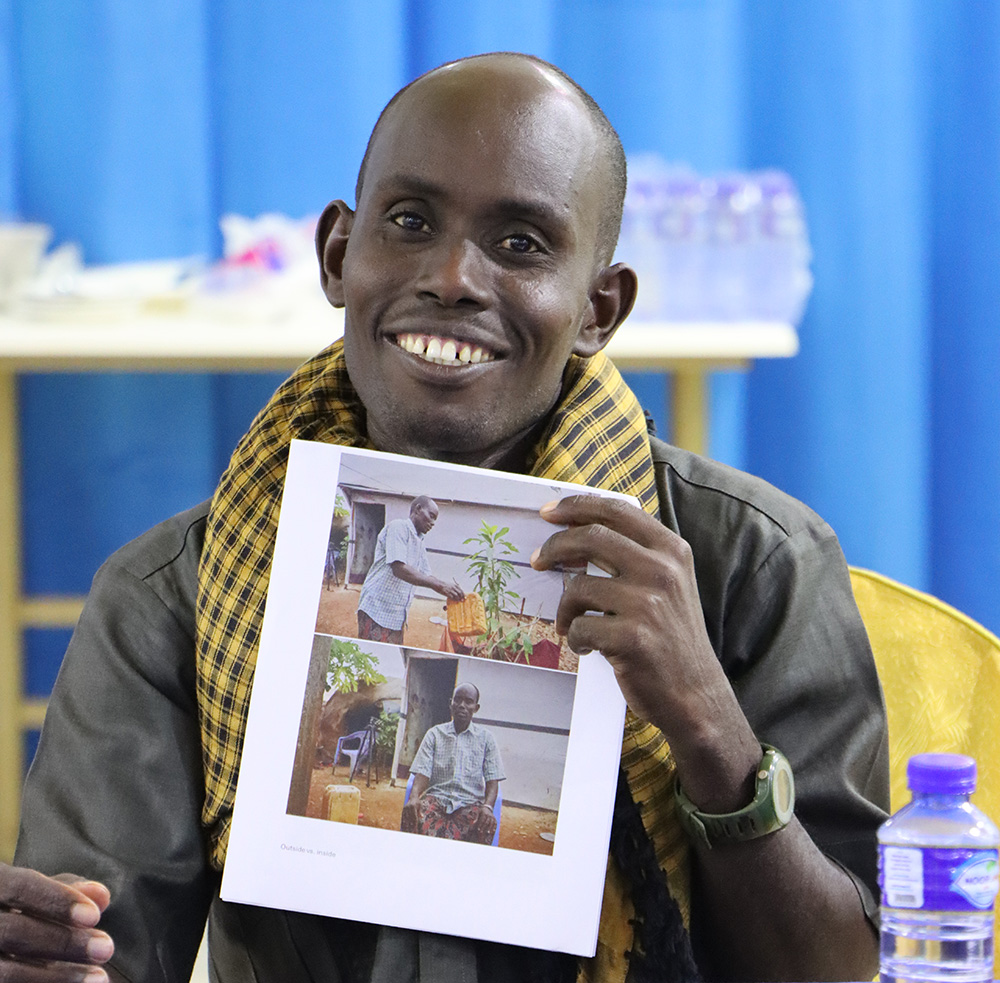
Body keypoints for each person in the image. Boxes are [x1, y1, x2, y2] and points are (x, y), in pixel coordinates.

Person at [3, 52, 888, 983]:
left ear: (598, 308)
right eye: (411, 222)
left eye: (521, 244)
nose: (455, 277)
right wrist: (55, 962)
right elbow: (102, 945)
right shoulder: (174, 594)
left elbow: (839, 970)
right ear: (339, 256)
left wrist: (708, 723)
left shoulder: (754, 563)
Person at [400, 683, 504, 844]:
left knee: (486, 823)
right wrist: (414, 797)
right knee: (411, 813)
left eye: (468, 701)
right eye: (458, 700)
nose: (462, 705)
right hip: (437, 799)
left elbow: (493, 780)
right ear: (451, 703)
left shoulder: (486, 739)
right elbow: (422, 772)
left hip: (470, 803)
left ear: (476, 708)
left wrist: (488, 807)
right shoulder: (434, 734)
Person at [356, 495, 464, 643]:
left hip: (395, 617)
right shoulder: (398, 527)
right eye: (431, 516)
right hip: (377, 609)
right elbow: (399, 569)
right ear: (418, 509)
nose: (432, 523)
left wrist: (448, 590)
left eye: (435, 520)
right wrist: (441, 586)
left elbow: (427, 576)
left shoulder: (419, 542)